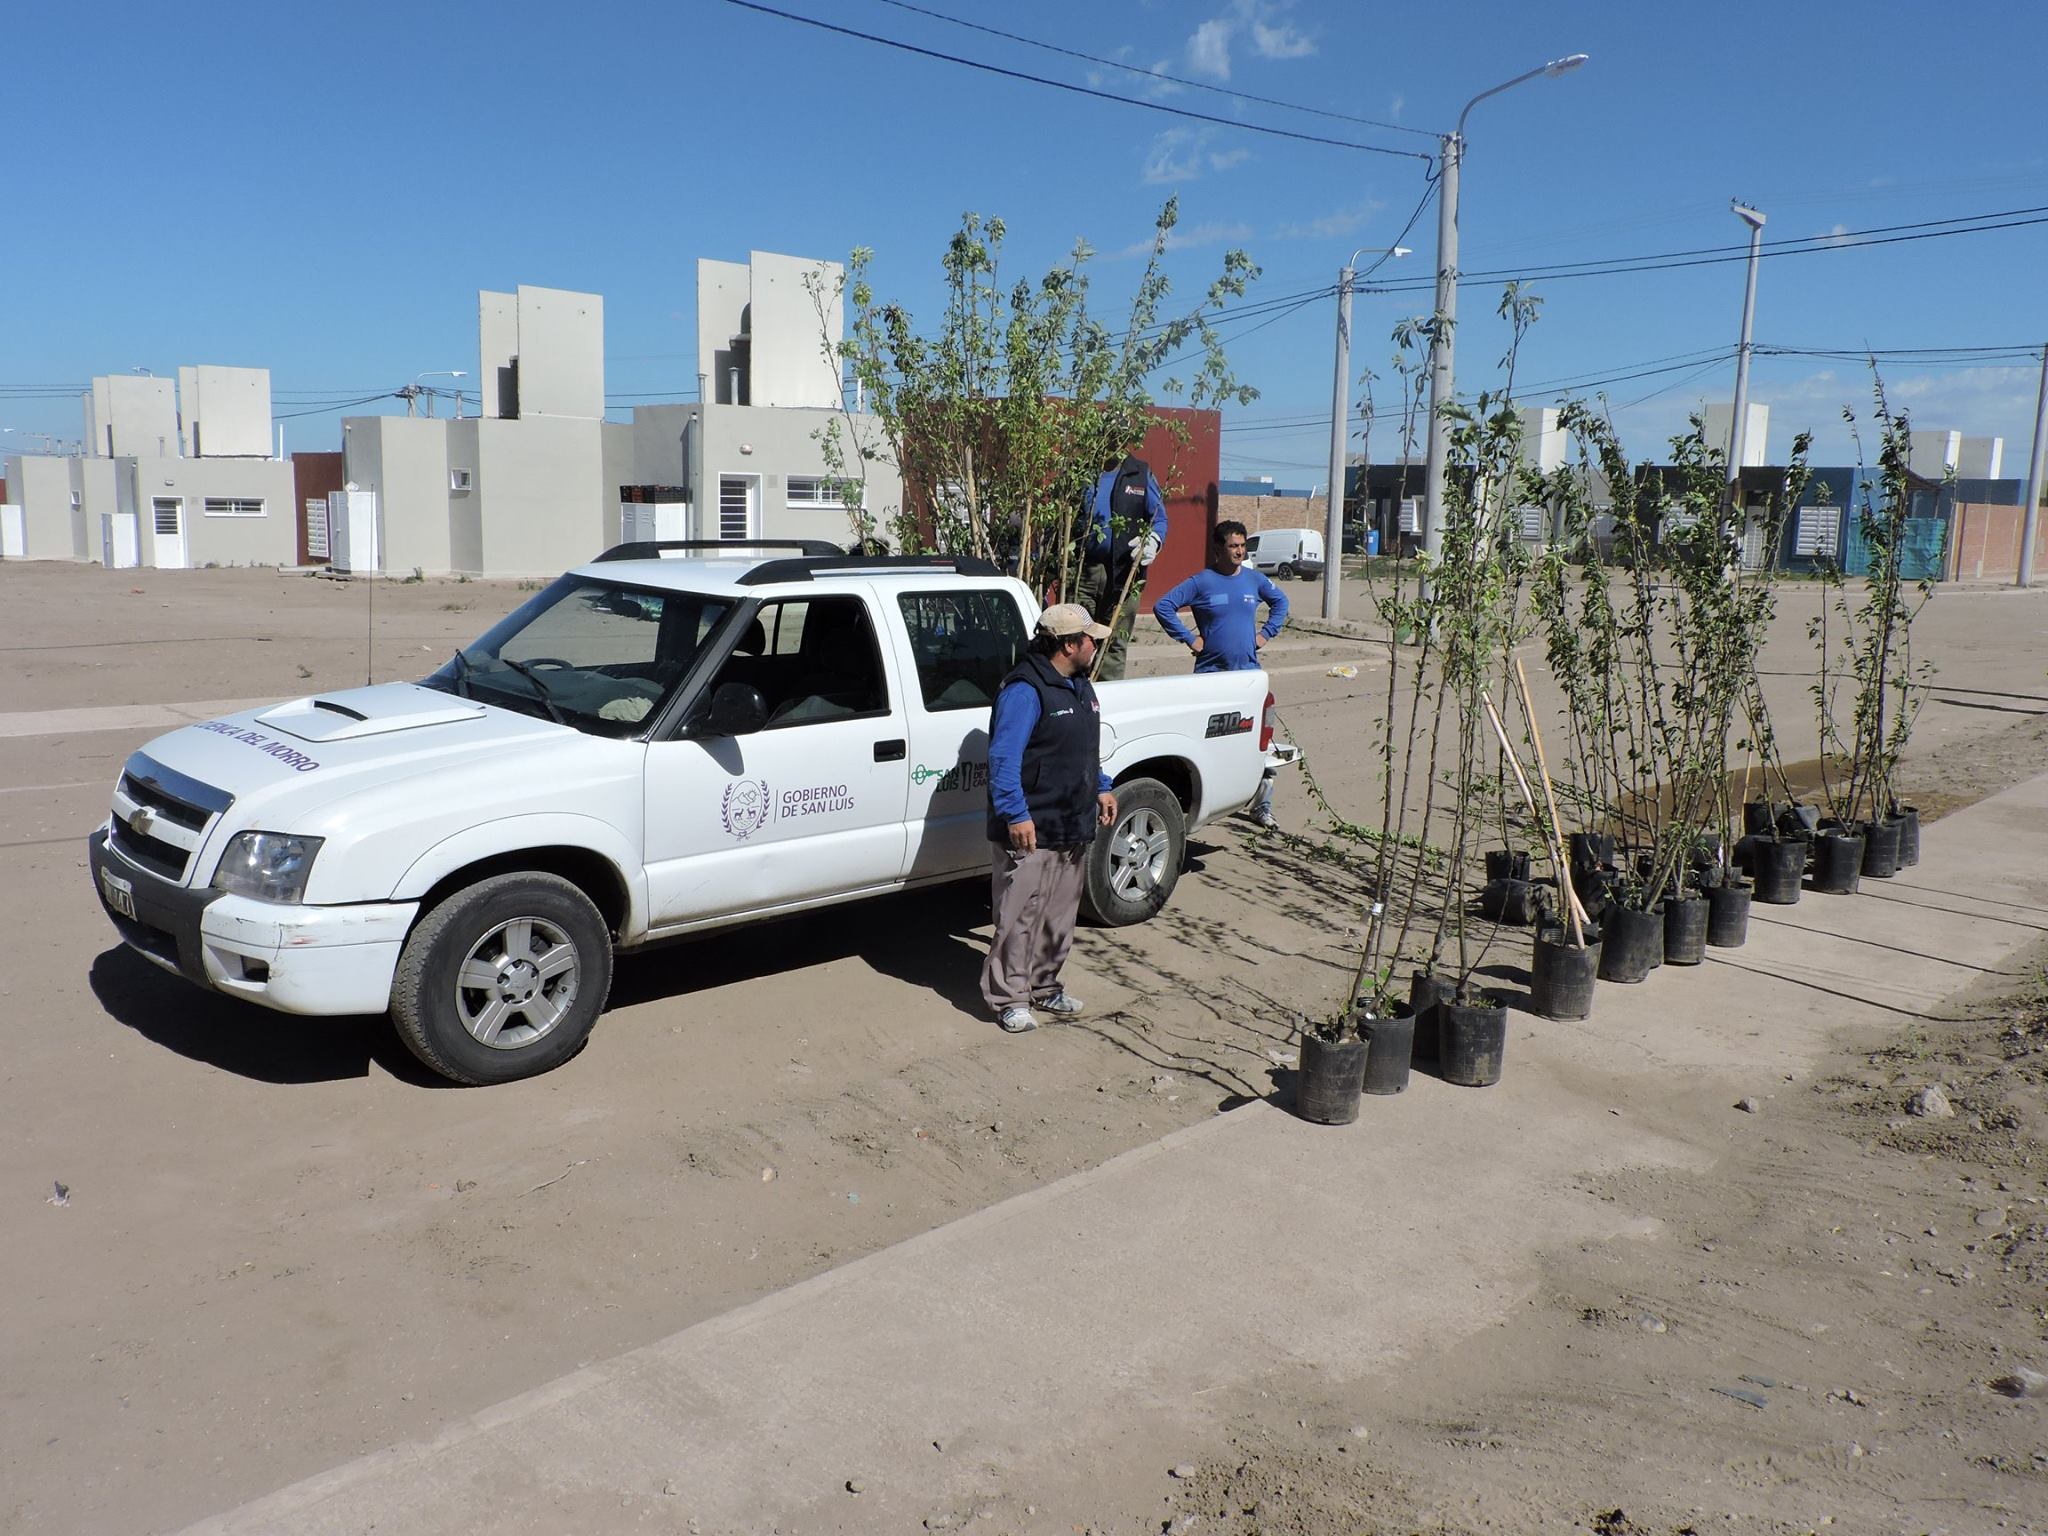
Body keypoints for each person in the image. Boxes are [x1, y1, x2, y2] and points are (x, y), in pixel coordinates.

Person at [981, 603, 1120, 1033]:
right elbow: (1003, 758)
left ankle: (1045, 985)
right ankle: (1009, 998)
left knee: (1058, 915)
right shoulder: (1024, 690)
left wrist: (1100, 784)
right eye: (1089, 638)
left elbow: (1081, 748)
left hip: (1071, 822)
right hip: (1031, 827)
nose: (1096, 644)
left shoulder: (1080, 685)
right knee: (1019, 915)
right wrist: (1016, 814)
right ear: (1067, 644)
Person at [1150, 520, 1289, 828]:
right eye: (1233, 546)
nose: (1239, 551)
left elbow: (1281, 602)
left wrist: (1266, 634)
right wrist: (1190, 638)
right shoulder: (1202, 581)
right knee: (1210, 742)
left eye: (1242, 546)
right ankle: (1206, 802)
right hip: (1211, 677)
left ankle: (1262, 805)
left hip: (1248, 676)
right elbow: (1164, 606)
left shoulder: (1254, 580)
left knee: (1259, 741)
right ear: (1217, 549)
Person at [1075, 453, 1169, 682]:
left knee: (1113, 641)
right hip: (1083, 571)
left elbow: (1159, 519)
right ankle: (1074, 696)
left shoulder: (1139, 473)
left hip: (1124, 573)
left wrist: (1153, 540)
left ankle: (1108, 696)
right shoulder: (1083, 470)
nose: (1114, 444)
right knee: (1076, 636)